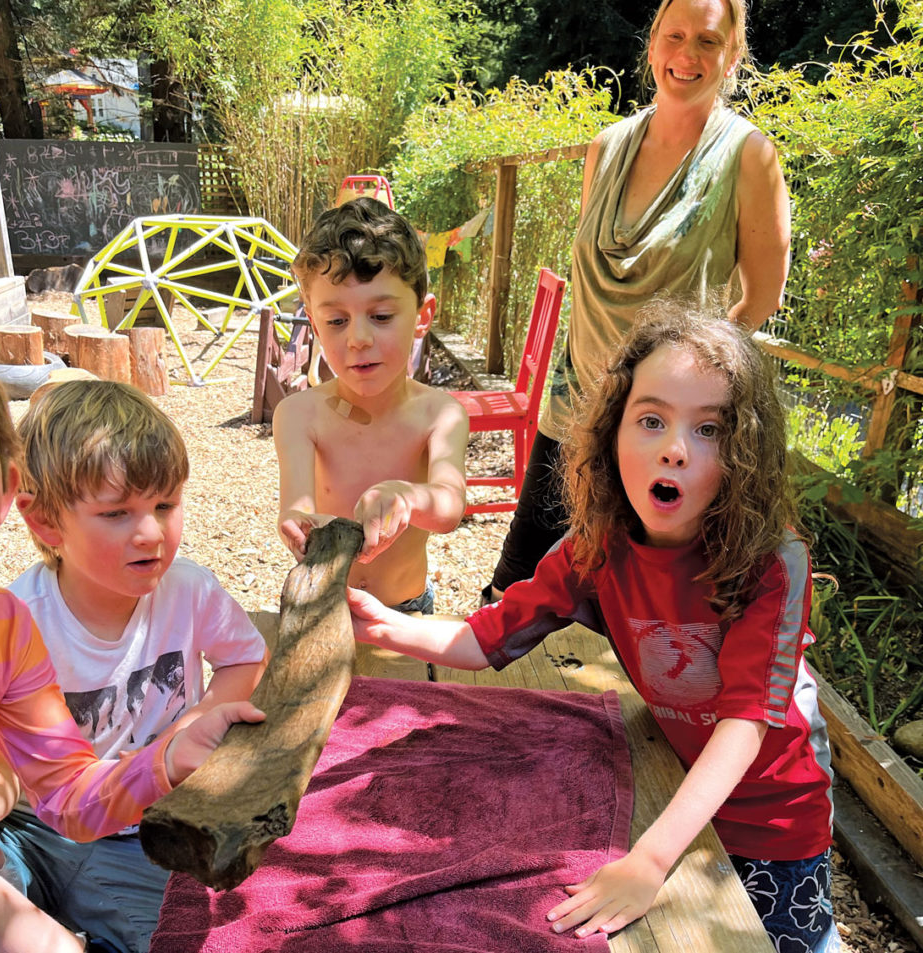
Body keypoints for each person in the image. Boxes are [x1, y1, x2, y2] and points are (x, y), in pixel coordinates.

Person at [348, 303, 838, 952]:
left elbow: (746, 724)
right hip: (670, 790)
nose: (674, 447)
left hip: (771, 823)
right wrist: (384, 627)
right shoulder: (596, 550)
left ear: (745, 452)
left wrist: (650, 860)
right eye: (653, 419)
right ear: (612, 434)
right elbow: (491, 635)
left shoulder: (772, 564)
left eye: (710, 428)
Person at [0, 311, 264, 953]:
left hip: (115, 826)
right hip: (29, 830)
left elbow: (67, 790)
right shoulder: (27, 609)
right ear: (40, 519)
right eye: (117, 513)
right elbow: (5, 778)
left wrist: (171, 754)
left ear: (8, 487)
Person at [483, 0, 791, 603]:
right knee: (512, 599)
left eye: (708, 41)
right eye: (675, 36)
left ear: (733, 57)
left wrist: (685, 381)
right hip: (573, 420)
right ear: (652, 46)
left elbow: (762, 299)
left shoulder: (750, 158)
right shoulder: (606, 147)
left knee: (634, 623)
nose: (688, 54)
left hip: (661, 439)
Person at [274, 196, 469, 613]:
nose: (358, 339)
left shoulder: (441, 414)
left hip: (406, 611)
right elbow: (296, 506)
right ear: (314, 324)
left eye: (381, 316)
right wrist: (299, 526)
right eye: (337, 321)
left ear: (422, 315)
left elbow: (450, 506)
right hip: (323, 606)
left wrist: (407, 496)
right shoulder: (298, 415)